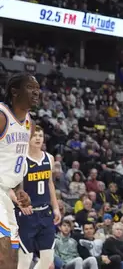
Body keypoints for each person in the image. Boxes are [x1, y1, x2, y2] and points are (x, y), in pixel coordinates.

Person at [0, 73, 40, 266]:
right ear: (15, 91)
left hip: (7, 193)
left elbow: (18, 161)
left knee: (13, 254)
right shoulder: (1, 116)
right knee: (4, 249)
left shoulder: (29, 124)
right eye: (31, 87)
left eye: (38, 88)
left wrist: (19, 189)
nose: (36, 92)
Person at [13, 125, 61, 269]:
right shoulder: (21, 160)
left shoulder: (49, 158)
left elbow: (50, 184)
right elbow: (15, 188)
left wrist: (56, 207)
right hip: (27, 214)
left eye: (41, 135)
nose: (38, 138)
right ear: (28, 138)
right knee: (25, 259)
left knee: (47, 259)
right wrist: (20, 203)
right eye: (35, 135)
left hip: (45, 212)